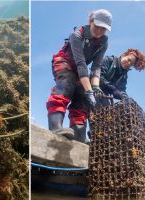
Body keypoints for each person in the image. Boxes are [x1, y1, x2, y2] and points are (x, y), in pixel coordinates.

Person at [46, 9, 112, 142]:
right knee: (67, 82)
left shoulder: (103, 42)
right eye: (97, 26)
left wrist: (95, 87)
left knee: (82, 96)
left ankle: (79, 134)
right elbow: (81, 63)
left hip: (79, 70)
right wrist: (89, 91)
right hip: (64, 61)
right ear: (91, 21)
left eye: (103, 29)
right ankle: (55, 126)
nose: (99, 31)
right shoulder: (77, 35)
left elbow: (96, 67)